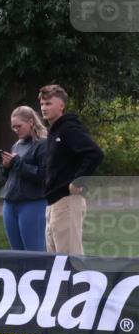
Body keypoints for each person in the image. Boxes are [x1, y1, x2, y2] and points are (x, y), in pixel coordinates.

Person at [39, 84, 104, 255]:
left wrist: (77, 181)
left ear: (61, 105)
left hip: (67, 201)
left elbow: (95, 153)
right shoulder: (53, 131)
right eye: (42, 104)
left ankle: (79, 277)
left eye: (48, 103)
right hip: (53, 203)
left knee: (69, 259)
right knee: (54, 259)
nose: (44, 108)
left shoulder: (68, 128)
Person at [0, 106, 48, 251]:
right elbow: (6, 177)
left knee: (34, 252)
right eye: (13, 127)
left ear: (31, 122)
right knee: (16, 253)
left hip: (32, 203)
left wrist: (17, 163)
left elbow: (43, 175)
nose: (16, 130)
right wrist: (5, 166)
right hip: (10, 202)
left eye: (19, 126)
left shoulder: (43, 144)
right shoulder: (17, 145)